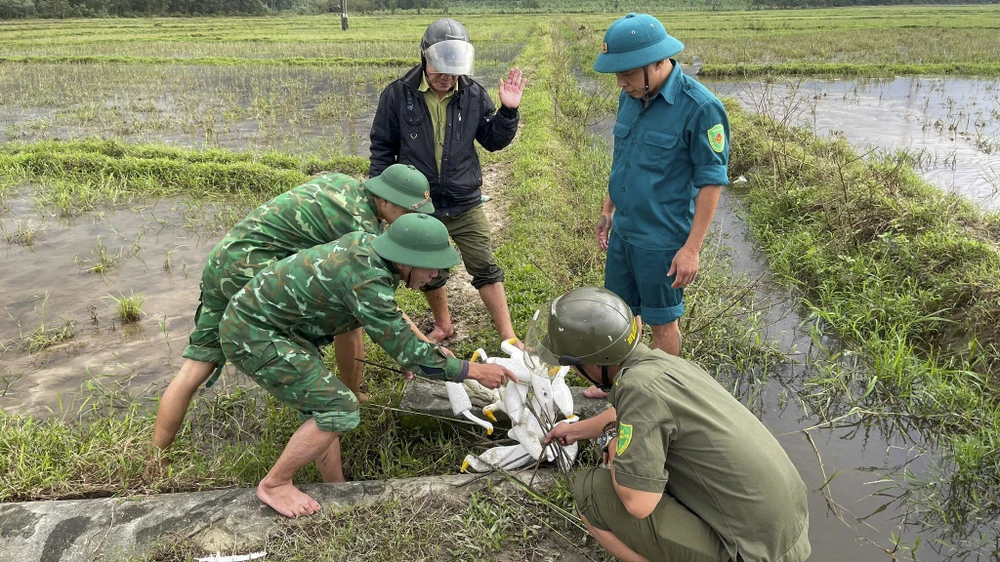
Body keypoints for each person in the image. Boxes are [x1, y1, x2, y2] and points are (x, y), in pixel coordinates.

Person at [218, 214, 516, 518]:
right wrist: (476, 371)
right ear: (407, 258)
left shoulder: (371, 250)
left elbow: (390, 316)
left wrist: (417, 348)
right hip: (254, 334)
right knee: (339, 407)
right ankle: (275, 484)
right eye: (431, 266)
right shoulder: (368, 279)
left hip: (278, 326)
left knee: (322, 406)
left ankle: (335, 488)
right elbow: (410, 351)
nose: (435, 275)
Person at [150, 164, 434, 454]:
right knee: (330, 346)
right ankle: (338, 405)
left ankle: (156, 459)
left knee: (197, 365)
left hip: (222, 261)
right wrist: (416, 348)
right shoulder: (360, 226)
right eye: (407, 211)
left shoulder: (345, 184)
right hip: (251, 272)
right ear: (385, 200)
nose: (412, 220)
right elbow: (374, 303)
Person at [535, 287, 811, 562]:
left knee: (590, 491)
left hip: (752, 553)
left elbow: (638, 503)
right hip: (787, 535)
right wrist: (575, 431)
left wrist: (612, 440)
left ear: (593, 364)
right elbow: (628, 414)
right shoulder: (661, 365)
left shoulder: (637, 390)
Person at [588, 13, 729, 399]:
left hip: (662, 240)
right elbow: (623, 159)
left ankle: (657, 397)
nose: (620, 83)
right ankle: (618, 386)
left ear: (656, 63)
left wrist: (691, 249)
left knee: (662, 322)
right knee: (620, 315)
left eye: (627, 73)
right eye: (617, 74)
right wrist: (608, 209)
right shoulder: (630, 97)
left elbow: (712, 181)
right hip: (625, 232)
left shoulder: (701, 108)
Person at [370, 17, 526, 345]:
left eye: (454, 70)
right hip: (419, 201)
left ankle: (508, 336)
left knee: (484, 265)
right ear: (425, 57)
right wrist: (381, 199)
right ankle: (443, 326)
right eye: (440, 69)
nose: (447, 77)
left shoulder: (473, 94)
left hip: (464, 200)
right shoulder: (398, 94)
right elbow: (382, 148)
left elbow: (492, 140)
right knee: (429, 268)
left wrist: (508, 112)